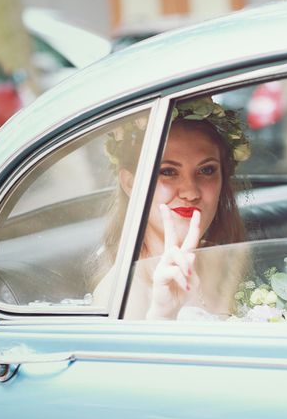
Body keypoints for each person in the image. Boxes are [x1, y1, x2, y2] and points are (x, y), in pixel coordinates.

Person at [92, 97, 251, 320]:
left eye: (206, 171)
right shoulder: (119, 295)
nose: (191, 192)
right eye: (168, 172)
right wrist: (162, 316)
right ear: (131, 184)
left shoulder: (227, 258)